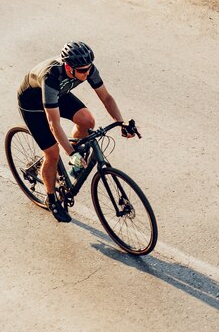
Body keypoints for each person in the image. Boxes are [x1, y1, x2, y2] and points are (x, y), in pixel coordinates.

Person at [17, 41, 137, 223]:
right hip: (32, 103)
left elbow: (106, 97)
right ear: (68, 66)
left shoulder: (87, 68)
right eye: (81, 71)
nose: (86, 73)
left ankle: (74, 165)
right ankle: (52, 199)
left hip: (58, 94)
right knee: (52, 153)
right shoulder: (51, 77)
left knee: (87, 120)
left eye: (88, 68)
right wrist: (71, 153)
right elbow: (53, 123)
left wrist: (121, 123)